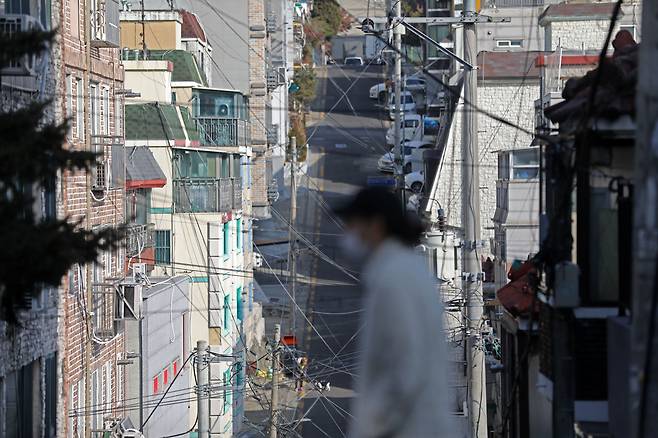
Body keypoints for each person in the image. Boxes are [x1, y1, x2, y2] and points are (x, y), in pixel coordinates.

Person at [336, 187, 454, 438]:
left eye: (353, 225)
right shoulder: (405, 268)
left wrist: (374, 427)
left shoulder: (393, 277)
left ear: (376, 225)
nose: (348, 236)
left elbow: (405, 365)